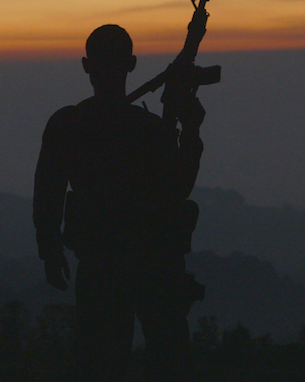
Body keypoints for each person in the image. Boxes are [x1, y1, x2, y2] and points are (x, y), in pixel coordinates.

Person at [33, 24, 205, 381]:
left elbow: (48, 191)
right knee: (167, 363)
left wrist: (50, 250)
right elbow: (179, 188)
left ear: (86, 65)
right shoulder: (148, 129)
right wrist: (191, 130)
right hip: (153, 266)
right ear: (132, 64)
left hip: (103, 265)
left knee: (101, 365)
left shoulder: (69, 124)